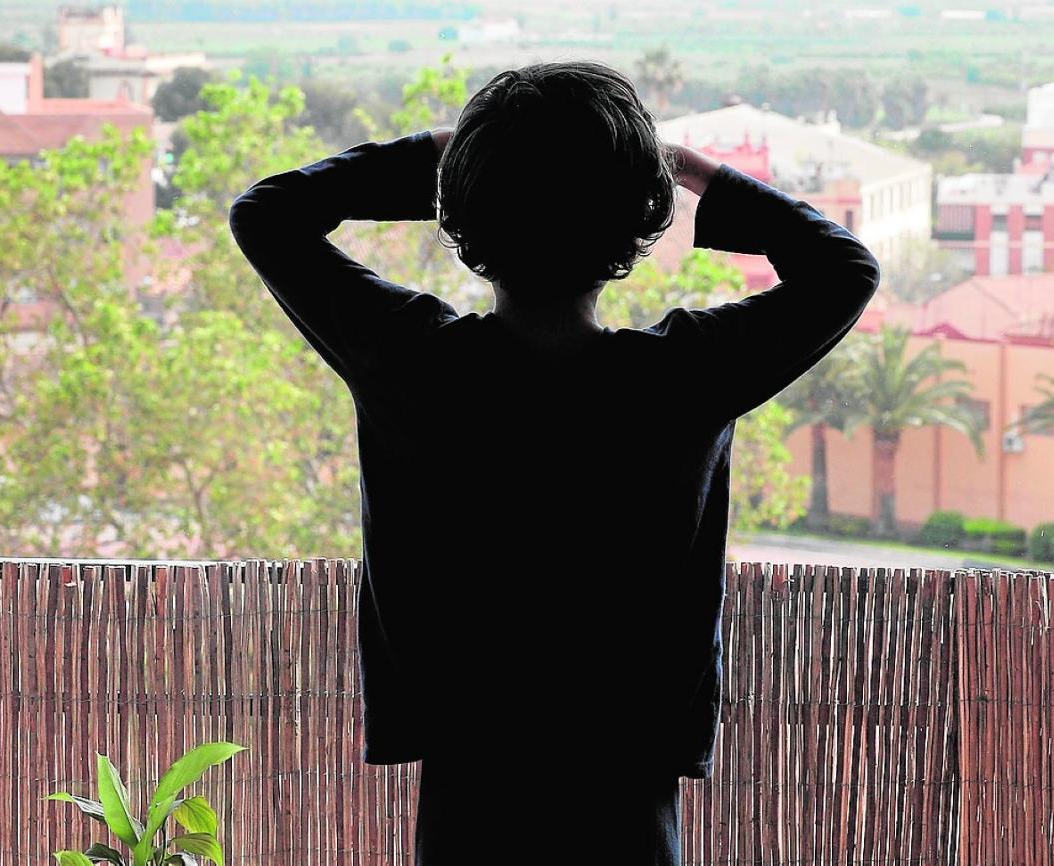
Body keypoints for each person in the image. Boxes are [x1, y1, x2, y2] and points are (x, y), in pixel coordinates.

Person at [229, 60, 880, 866]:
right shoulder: (679, 382)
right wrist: (692, 171)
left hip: (469, 785)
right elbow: (844, 270)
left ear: (468, 210)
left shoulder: (415, 365)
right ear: (636, 220)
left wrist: (448, 150)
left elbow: (268, 214)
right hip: (626, 789)